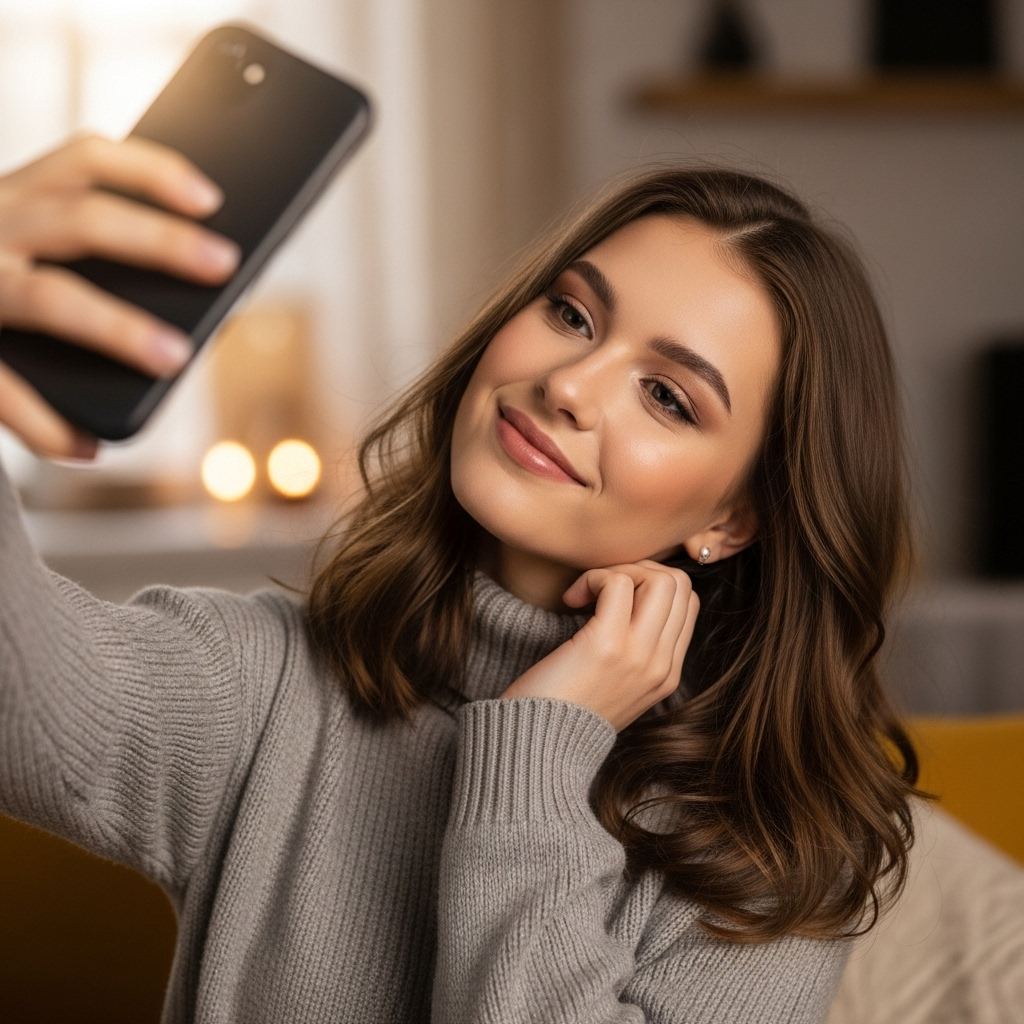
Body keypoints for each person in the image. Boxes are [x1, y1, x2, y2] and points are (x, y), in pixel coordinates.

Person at [0, 135, 918, 1023]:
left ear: (732, 520)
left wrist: (541, 747)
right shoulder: (269, 682)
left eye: (667, 396)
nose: (569, 385)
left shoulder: (781, 849)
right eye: (572, 315)